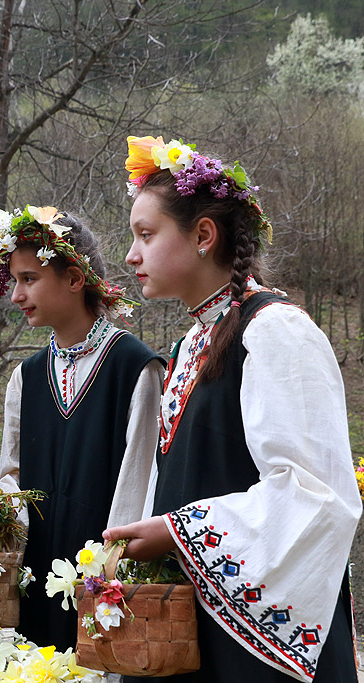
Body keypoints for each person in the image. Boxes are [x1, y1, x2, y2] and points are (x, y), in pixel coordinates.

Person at [103, 135, 360, 681]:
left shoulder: (276, 332)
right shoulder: (196, 341)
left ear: (202, 235)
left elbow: (316, 495)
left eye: (146, 235)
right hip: (197, 628)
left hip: (258, 650)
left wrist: (178, 533)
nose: (131, 255)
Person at [0, 204, 163, 650]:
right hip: (37, 586)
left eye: (29, 279)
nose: (16, 295)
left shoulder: (134, 368)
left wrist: (109, 582)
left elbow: (138, 487)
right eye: (14, 280)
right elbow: (15, 479)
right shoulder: (27, 377)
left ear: (75, 279)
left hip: (103, 596)